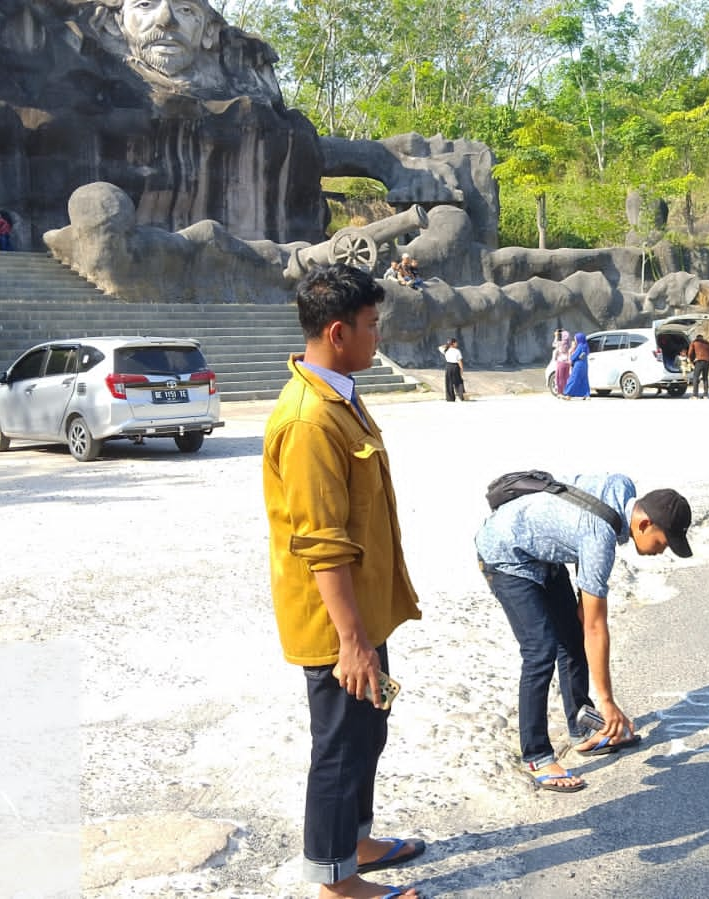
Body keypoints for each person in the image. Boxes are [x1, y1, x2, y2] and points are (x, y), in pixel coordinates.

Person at [262, 263, 427, 899]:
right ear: (337, 331)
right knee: (337, 746)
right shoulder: (309, 420)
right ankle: (335, 883)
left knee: (368, 729)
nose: (377, 335)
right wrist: (351, 641)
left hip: (364, 611)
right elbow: (321, 543)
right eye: (370, 325)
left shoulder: (340, 396)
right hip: (336, 622)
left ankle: (356, 840)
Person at [474, 474, 693, 792]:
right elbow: (595, 626)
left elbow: (584, 616)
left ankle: (582, 727)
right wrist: (607, 701)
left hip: (542, 553)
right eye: (664, 542)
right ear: (644, 524)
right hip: (507, 555)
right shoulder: (600, 539)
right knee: (540, 650)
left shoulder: (622, 489)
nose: (664, 551)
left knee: (571, 637)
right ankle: (536, 755)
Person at [561, 332, 590, 400]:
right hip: (584, 364)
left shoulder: (580, 346)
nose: (575, 340)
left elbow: (574, 356)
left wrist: (571, 355)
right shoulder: (585, 346)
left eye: (576, 338)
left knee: (573, 379)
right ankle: (586, 395)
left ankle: (568, 394)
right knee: (584, 380)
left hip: (578, 365)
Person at [685, 334, 709, 399]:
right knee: (705, 378)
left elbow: (690, 353)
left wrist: (690, 360)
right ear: (702, 338)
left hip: (699, 361)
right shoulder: (708, 343)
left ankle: (695, 395)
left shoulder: (695, 342)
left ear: (697, 338)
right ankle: (705, 395)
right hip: (707, 361)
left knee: (695, 377)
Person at [438, 337, 466, 402]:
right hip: (455, 366)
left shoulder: (446, 350)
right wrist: (461, 369)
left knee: (449, 382)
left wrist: (447, 345)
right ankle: (460, 396)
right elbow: (460, 361)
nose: (457, 343)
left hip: (448, 366)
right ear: (453, 343)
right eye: (456, 342)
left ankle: (450, 398)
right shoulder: (457, 351)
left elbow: (439, 347)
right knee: (458, 381)